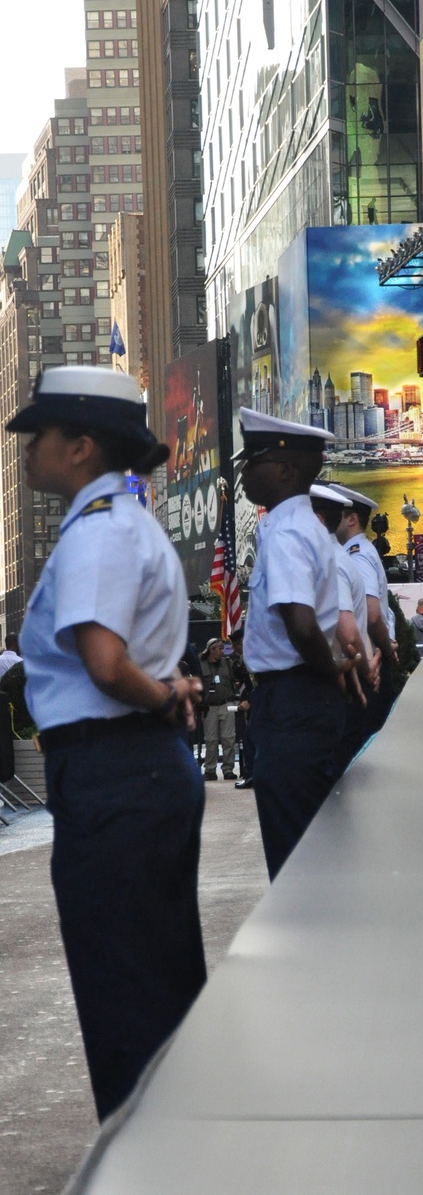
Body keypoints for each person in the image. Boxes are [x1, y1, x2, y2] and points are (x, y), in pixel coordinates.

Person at [9, 366, 205, 1121]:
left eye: (41, 436)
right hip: (132, 774)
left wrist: (162, 697)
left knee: (125, 995)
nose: (29, 451)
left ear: (82, 447)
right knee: (155, 984)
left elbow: (103, 661)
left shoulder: (100, 533)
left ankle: (145, 1162)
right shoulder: (125, 522)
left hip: (115, 773)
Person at [238, 408, 358, 881]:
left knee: (293, 855)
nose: (246, 472)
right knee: (309, 843)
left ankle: (310, 949)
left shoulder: (287, 531)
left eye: (254, 460)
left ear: (286, 470)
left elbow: (301, 624)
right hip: (302, 698)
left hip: (294, 698)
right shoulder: (299, 526)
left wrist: (330, 675)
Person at [310, 481, 378, 775]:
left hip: (339, 686)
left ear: (317, 519)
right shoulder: (337, 558)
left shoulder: (333, 563)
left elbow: (348, 632)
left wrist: (363, 669)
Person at [329, 483, 398, 737]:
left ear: (352, 519)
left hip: (368, 665)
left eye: (339, 513)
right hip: (370, 661)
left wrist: (385, 650)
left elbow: (371, 613)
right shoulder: (361, 551)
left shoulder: (356, 555)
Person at [199, 637, 238, 780]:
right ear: (211, 650)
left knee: (229, 738)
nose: (223, 651)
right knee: (210, 740)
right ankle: (210, 769)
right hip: (209, 707)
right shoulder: (201, 664)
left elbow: (236, 681)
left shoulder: (227, 663)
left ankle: (228, 768)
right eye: (220, 649)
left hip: (227, 704)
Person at [228, 628, 256, 789]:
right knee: (249, 739)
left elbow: (257, 685)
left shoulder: (252, 659)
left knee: (251, 739)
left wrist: (250, 701)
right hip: (253, 703)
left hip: (258, 704)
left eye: (237, 644)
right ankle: (250, 774)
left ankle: (252, 774)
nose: (235, 648)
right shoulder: (244, 659)